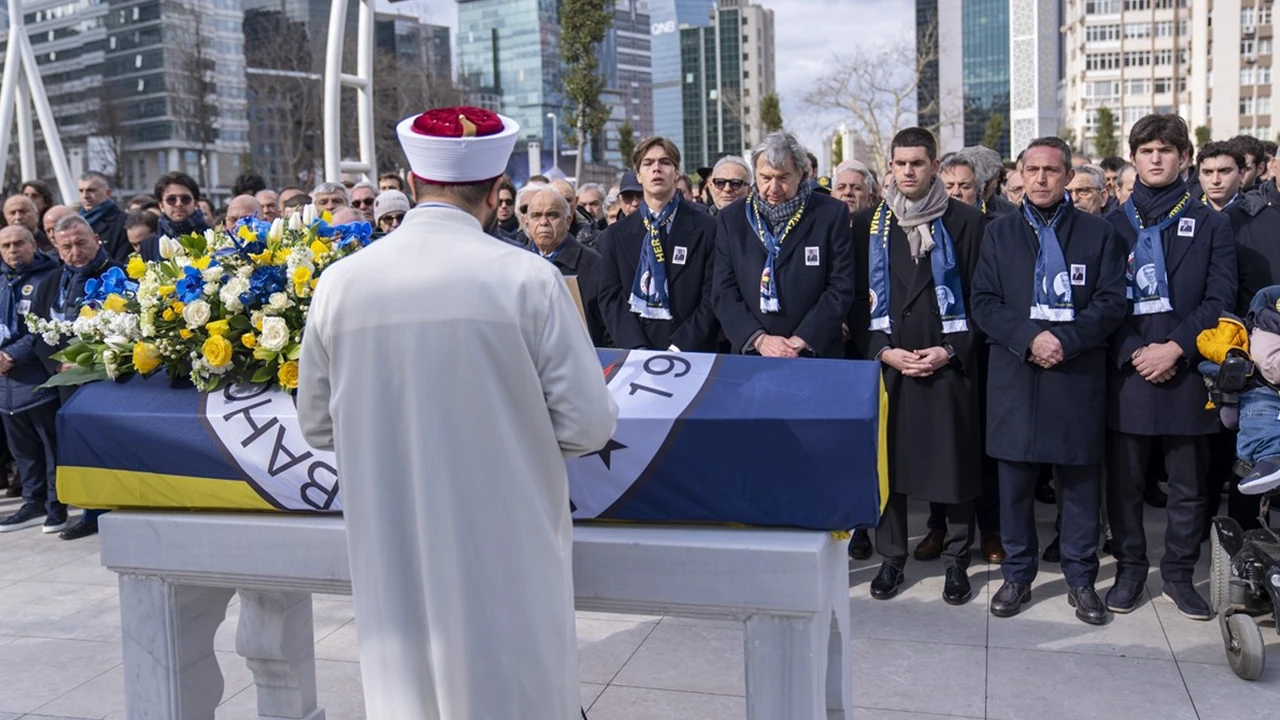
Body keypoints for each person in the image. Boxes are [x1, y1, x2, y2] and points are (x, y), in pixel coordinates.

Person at [297, 105, 616, 720]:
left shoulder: (341, 282)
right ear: (500, 194)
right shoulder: (529, 279)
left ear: (412, 185)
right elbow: (589, 424)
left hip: (393, 542)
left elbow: (316, 423)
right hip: (507, 543)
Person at [970, 136, 1128, 624]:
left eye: (1051, 171)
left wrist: (1067, 340)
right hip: (1016, 372)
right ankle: (1018, 575)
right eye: (1031, 170)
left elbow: (1111, 302)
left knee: (1079, 482)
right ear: (1018, 175)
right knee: (1014, 481)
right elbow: (984, 302)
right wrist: (1030, 339)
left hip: (1075, 372)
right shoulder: (997, 234)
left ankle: (1081, 579)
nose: (1040, 179)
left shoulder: (1098, 235)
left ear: (1067, 177)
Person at [1103, 114, 1237, 621]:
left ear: (1184, 158)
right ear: (1133, 158)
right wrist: (1137, 351)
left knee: (1190, 486)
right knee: (1126, 484)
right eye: (1146, 150)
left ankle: (1180, 574)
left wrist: (1175, 348)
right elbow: (1100, 302)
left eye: (1166, 149)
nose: (1156, 158)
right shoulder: (1110, 225)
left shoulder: (1211, 223)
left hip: (1185, 371)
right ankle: (1131, 569)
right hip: (1128, 372)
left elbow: (1219, 298)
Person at [854, 127, 985, 604]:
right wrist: (882, 349)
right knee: (889, 468)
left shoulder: (967, 222)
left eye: (918, 163)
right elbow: (853, 302)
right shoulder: (867, 224)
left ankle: (955, 561)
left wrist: (950, 350)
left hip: (946, 363)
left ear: (934, 167)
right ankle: (891, 559)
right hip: (891, 364)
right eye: (900, 163)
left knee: (951, 468)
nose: (908, 171)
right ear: (890, 166)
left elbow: (982, 298)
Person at [715, 130, 854, 362]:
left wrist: (802, 339)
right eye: (765, 178)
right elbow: (723, 289)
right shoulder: (732, 219)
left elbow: (841, 284)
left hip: (812, 353)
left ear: (801, 174)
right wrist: (760, 340)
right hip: (753, 354)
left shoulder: (830, 213)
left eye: (783, 178)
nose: (773, 188)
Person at [1197, 141, 1280, 530]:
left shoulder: (1263, 221)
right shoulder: (1187, 219)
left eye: (1226, 171)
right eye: (1209, 172)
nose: (1217, 179)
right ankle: (1200, 526)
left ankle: (1242, 533)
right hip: (1198, 346)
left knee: (1241, 449)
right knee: (1201, 455)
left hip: (1251, 357)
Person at [598, 137, 720, 352]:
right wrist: (637, 347)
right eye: (648, 163)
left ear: (677, 172)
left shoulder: (708, 228)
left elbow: (712, 295)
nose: (656, 169)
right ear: (639, 176)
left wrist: (680, 346)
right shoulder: (614, 235)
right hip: (636, 355)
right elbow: (612, 300)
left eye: (665, 162)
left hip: (692, 352)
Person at [0, 226, 61, 533]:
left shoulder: (48, 276)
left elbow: (42, 326)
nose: (12, 250)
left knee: (50, 447)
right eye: (5, 245)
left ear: (32, 244)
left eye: (18, 243)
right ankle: (32, 502)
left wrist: (12, 356)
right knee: (22, 450)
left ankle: (55, 506)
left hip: (36, 377)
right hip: (5, 384)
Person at [525, 186, 607, 346]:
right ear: (527, 222)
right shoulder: (515, 263)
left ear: (568, 221)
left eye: (552, 215)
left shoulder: (594, 264)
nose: (543, 222)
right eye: (536, 215)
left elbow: (608, 328)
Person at [77, 171, 130, 262]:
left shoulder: (123, 223)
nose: (85, 196)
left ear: (107, 193)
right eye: (81, 191)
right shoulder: (75, 223)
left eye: (91, 190)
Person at [153, 172, 211, 239]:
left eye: (185, 199)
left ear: (195, 203)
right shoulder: (149, 244)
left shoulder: (213, 239)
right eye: (171, 199)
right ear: (161, 205)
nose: (178, 204)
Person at [551, 179, 599, 248]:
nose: (563, 205)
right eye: (556, 200)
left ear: (576, 202)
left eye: (567, 200)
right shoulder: (533, 236)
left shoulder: (595, 237)